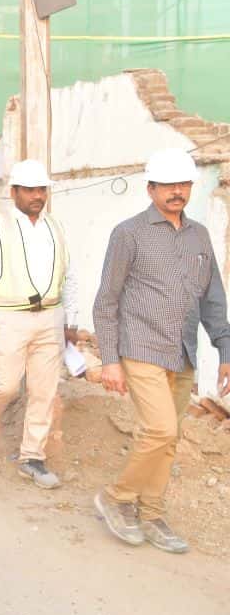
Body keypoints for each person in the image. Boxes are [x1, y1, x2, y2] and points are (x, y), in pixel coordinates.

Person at [92, 148, 230, 554]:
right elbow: (107, 301)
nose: (176, 192)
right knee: (161, 429)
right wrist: (110, 360)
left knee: (170, 437)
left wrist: (225, 350)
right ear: (150, 188)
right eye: (168, 184)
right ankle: (116, 498)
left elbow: (213, 300)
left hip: (183, 350)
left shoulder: (200, 235)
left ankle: (151, 512)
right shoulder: (128, 233)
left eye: (183, 184)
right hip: (141, 345)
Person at [0, 160, 78, 488]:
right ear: (14, 192)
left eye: (41, 189)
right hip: (8, 316)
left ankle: (32, 457)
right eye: (29, 189)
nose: (37, 195)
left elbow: (70, 274)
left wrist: (72, 319)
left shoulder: (56, 226)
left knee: (45, 389)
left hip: (50, 317)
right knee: (6, 384)